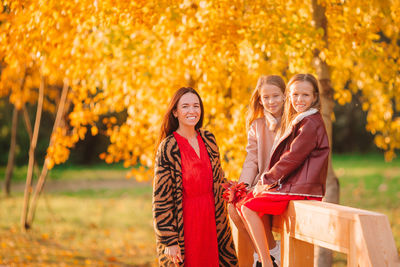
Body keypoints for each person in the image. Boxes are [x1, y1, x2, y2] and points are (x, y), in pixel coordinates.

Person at [240, 73, 330, 267]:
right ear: (289, 96)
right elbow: (252, 158)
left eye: (305, 95)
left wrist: (266, 180)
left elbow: (292, 157)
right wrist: (246, 184)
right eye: (295, 94)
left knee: (248, 207)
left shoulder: (310, 123)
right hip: (293, 185)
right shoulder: (302, 120)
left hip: (301, 188)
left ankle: (267, 261)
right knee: (243, 205)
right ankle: (268, 256)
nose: (299, 99)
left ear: (315, 97)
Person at [153, 87, 238, 267]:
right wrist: (169, 239)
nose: (192, 111)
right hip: (185, 223)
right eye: (185, 107)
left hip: (213, 219)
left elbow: (217, 178)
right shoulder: (168, 147)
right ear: (175, 112)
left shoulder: (209, 139)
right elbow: (161, 198)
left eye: (196, 106)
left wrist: (231, 187)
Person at [227, 75, 285, 266]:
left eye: (275, 96)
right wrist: (241, 186)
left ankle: (268, 254)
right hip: (260, 182)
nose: (271, 101)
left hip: (282, 183)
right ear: (260, 100)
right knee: (233, 206)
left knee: (251, 206)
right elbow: (251, 160)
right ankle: (265, 252)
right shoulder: (257, 125)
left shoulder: (292, 123)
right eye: (265, 98)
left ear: (285, 95)